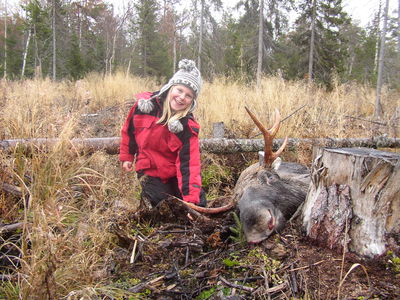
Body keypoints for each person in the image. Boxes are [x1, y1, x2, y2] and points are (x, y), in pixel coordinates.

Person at [120, 59, 207, 208]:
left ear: (192, 102)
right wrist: (127, 156)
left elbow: (189, 164)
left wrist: (192, 201)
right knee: (162, 204)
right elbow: (129, 131)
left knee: (199, 201)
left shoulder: (187, 127)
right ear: (170, 87)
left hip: (174, 173)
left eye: (188, 95)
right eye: (179, 90)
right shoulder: (144, 107)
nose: (181, 97)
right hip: (150, 171)